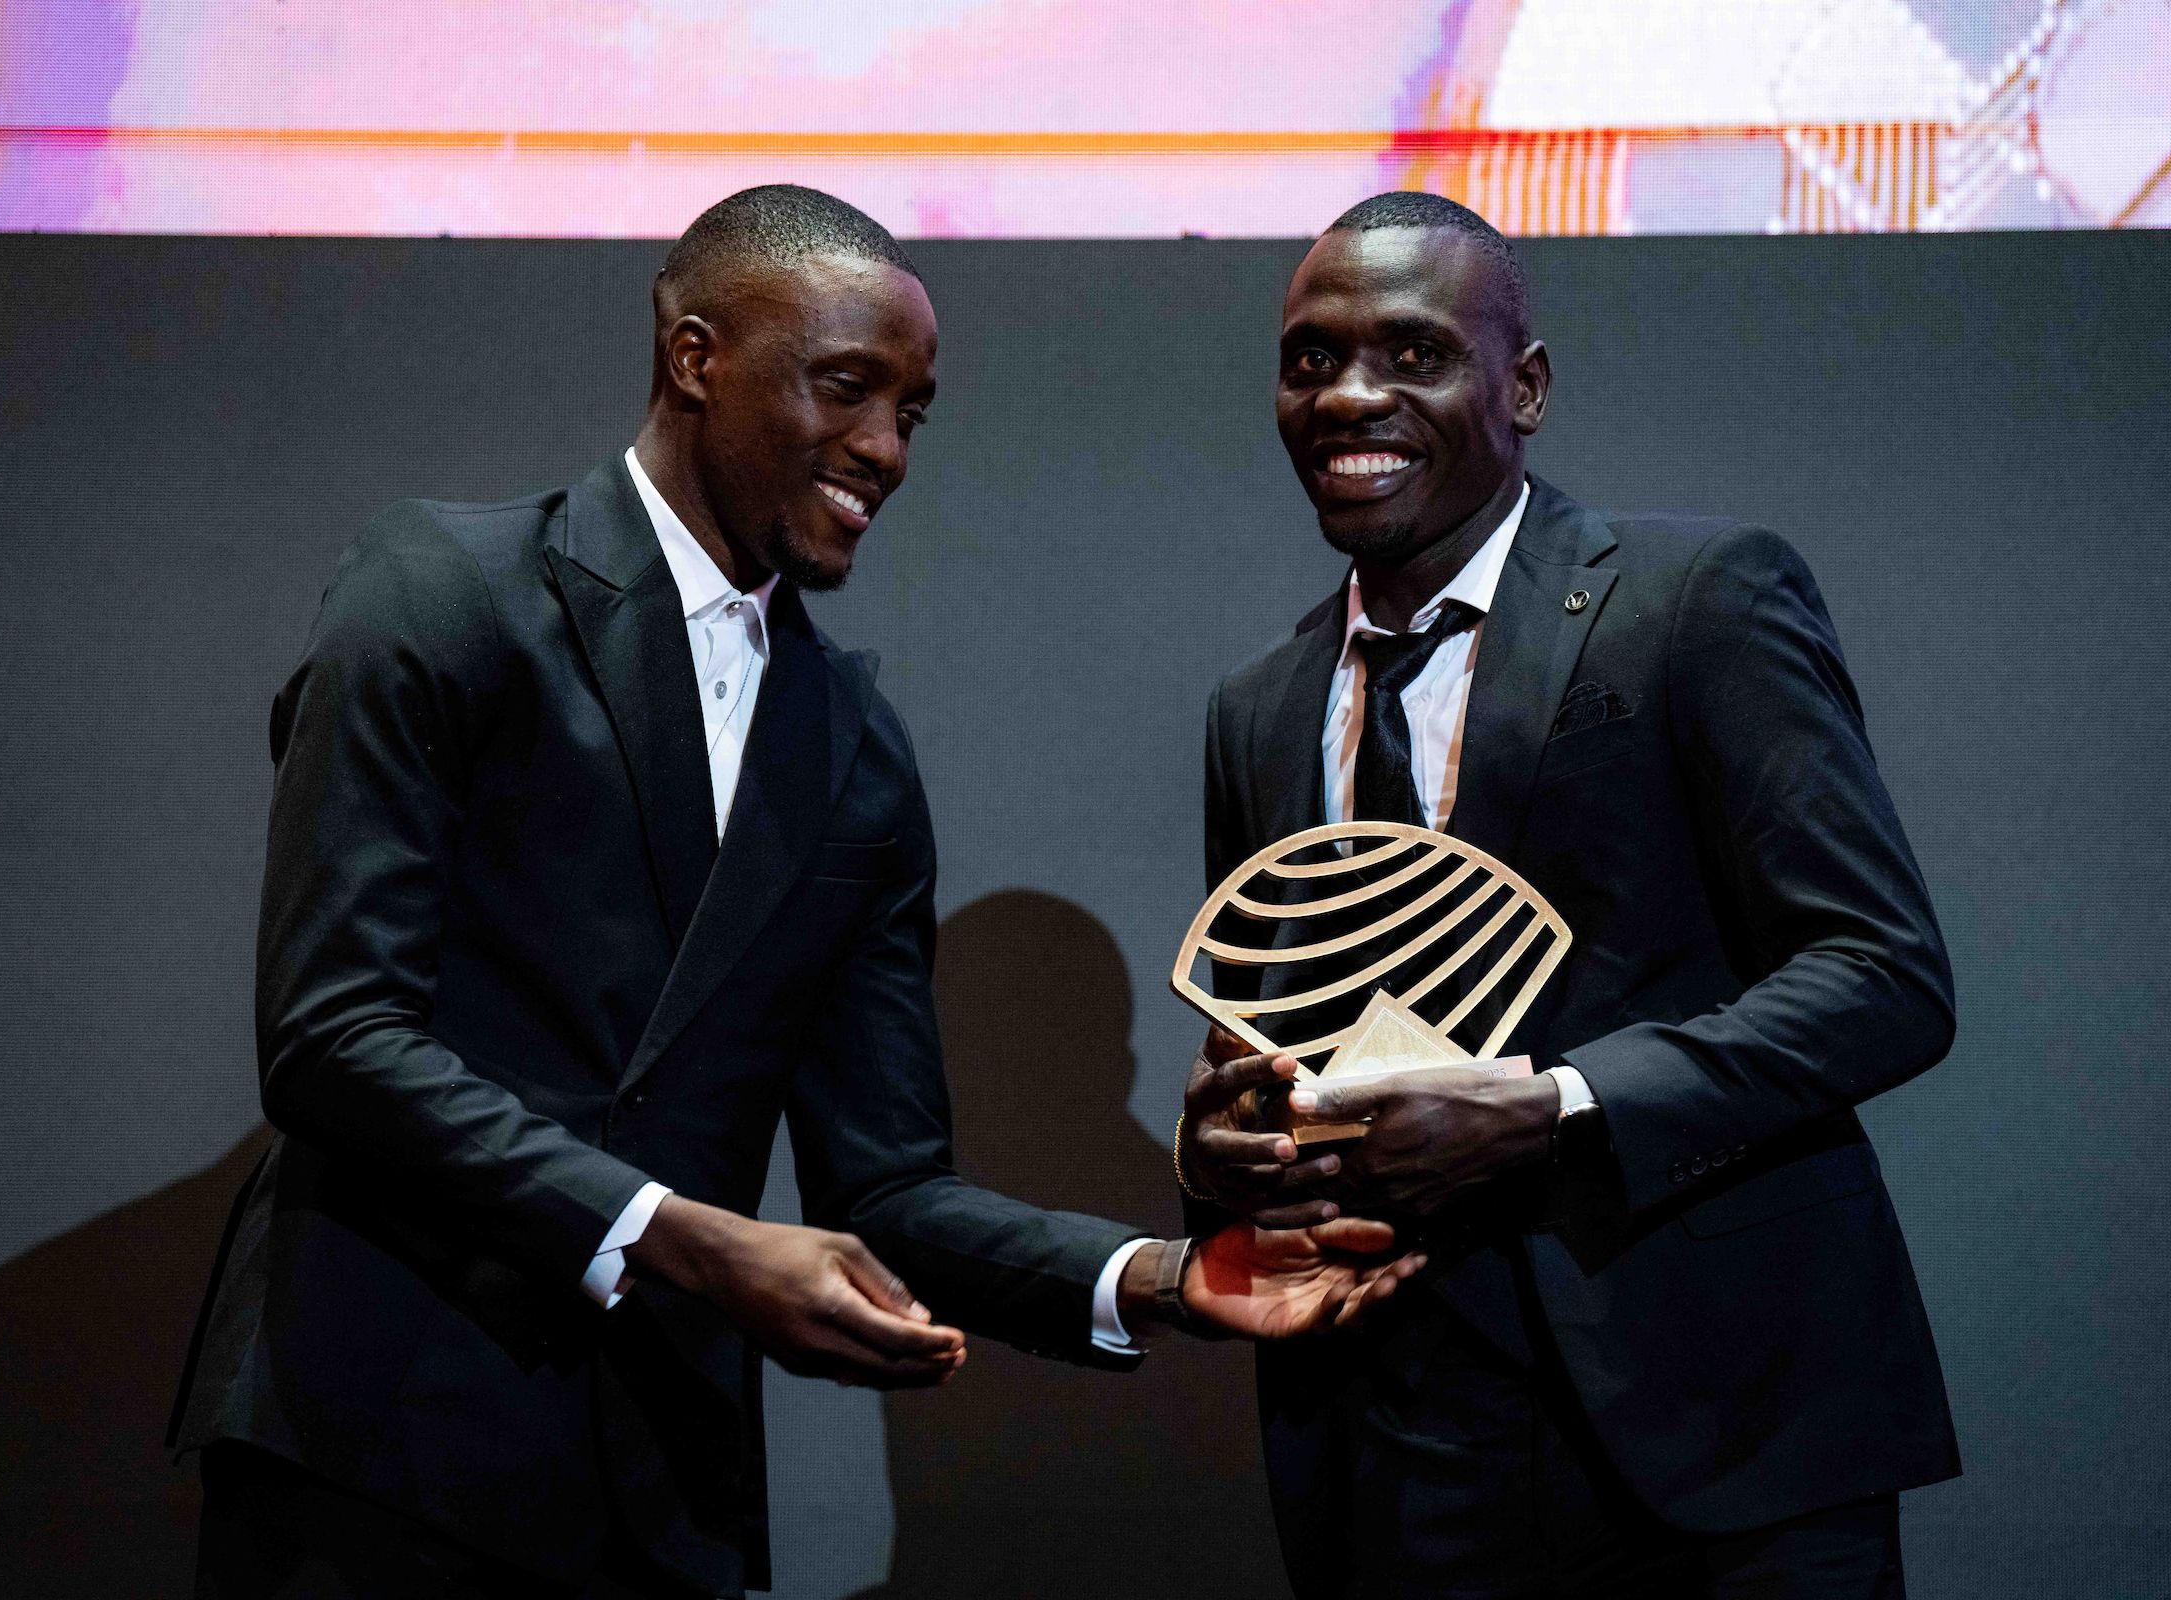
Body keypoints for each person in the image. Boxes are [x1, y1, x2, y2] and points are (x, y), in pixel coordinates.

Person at [169, 184, 1422, 1600]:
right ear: (695, 355)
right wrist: (689, 1240)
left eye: (913, 412)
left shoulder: (852, 748)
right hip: (369, 1450)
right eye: (847, 388)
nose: (885, 448)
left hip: (656, 1492)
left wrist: (1163, 1279)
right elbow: (334, 1040)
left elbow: (884, 1185)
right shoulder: (446, 590)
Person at [1178, 191, 1959, 1598]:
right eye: (1310, 359)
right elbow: (1282, 1034)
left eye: (1412, 354)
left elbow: (1882, 974)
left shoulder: (1695, 599)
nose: (1350, 394)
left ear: (1521, 386)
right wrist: (1226, 1154)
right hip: (1400, 1442)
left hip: (1720, 1434)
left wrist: (1555, 1108)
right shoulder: (1259, 706)